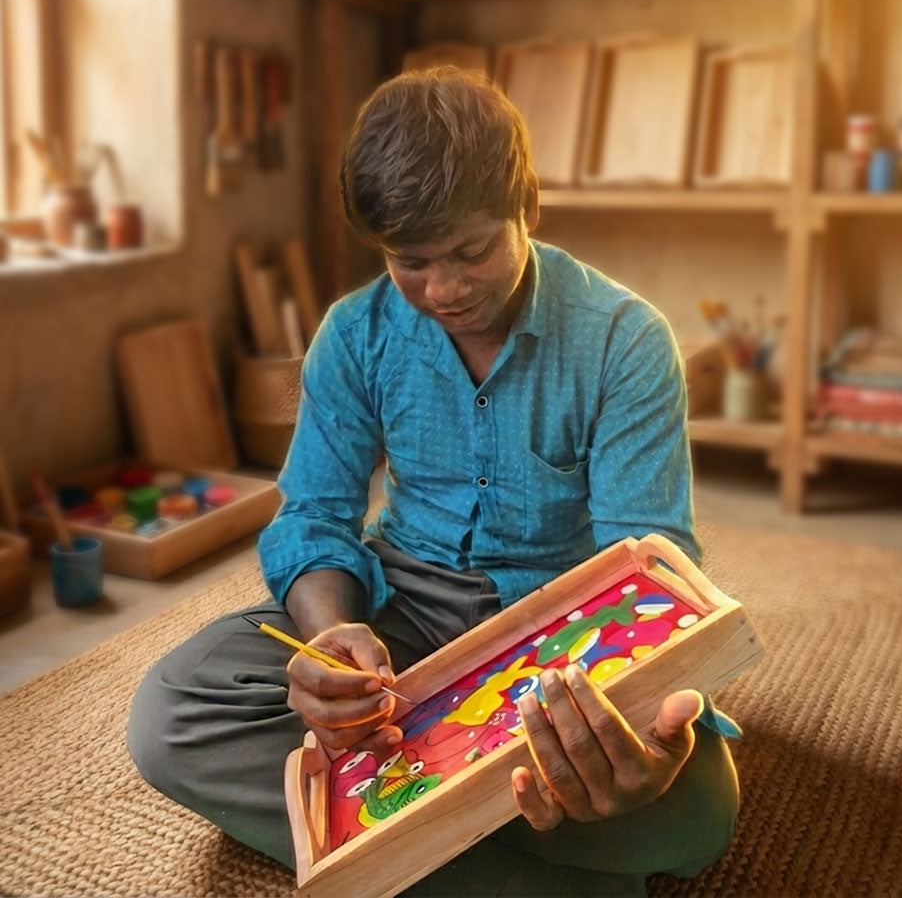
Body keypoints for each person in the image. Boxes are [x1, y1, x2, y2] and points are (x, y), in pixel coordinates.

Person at [128, 67, 739, 897]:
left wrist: (626, 740)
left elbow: (650, 565)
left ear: (528, 206)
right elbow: (314, 517)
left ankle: (401, 836)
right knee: (171, 714)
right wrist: (331, 640)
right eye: (409, 262)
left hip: (566, 638)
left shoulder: (625, 341)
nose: (444, 291)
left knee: (693, 812)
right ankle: (529, 872)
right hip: (403, 616)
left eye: (471, 252)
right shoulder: (356, 334)